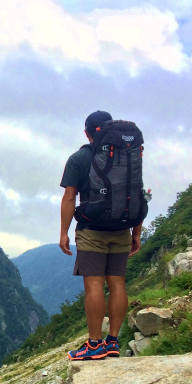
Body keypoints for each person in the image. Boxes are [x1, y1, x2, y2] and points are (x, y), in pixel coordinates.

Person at [59, 110, 142, 360]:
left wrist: (63, 232)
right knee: (117, 283)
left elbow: (69, 197)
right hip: (122, 229)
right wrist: (136, 232)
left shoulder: (79, 158)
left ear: (86, 132)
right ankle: (113, 341)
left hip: (92, 230)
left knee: (93, 284)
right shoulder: (128, 156)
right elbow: (135, 193)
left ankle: (94, 344)